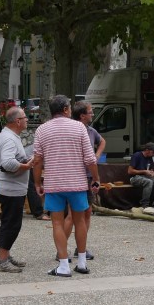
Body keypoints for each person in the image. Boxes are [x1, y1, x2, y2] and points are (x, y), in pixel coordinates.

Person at [31, 95, 100, 277]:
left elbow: (37, 160)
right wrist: (95, 178)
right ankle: (82, 263)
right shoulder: (79, 127)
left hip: (54, 184)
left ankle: (63, 265)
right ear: (65, 110)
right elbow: (90, 158)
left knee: (57, 222)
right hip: (77, 183)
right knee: (80, 220)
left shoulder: (41, 130)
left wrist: (37, 182)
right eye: (69, 107)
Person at [0, 107, 34, 273]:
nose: (27, 120)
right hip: (11, 190)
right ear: (17, 121)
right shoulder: (10, 139)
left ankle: (6, 255)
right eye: (25, 117)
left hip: (12, 188)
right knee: (11, 225)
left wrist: (24, 159)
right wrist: (26, 165)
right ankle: (2, 261)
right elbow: (8, 163)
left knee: (10, 224)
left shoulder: (10, 136)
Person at [67, 100, 105, 259]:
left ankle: (80, 247)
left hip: (89, 177)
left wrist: (96, 156)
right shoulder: (72, 130)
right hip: (75, 177)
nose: (93, 114)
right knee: (71, 214)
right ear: (82, 115)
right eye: (90, 112)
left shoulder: (91, 131)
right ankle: (62, 249)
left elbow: (102, 141)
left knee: (87, 211)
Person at [128, 142, 154, 209]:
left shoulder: (150, 158)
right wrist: (144, 171)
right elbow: (130, 171)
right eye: (153, 152)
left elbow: (151, 170)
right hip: (134, 177)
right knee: (149, 182)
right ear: (147, 150)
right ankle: (144, 205)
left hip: (146, 177)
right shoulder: (136, 155)